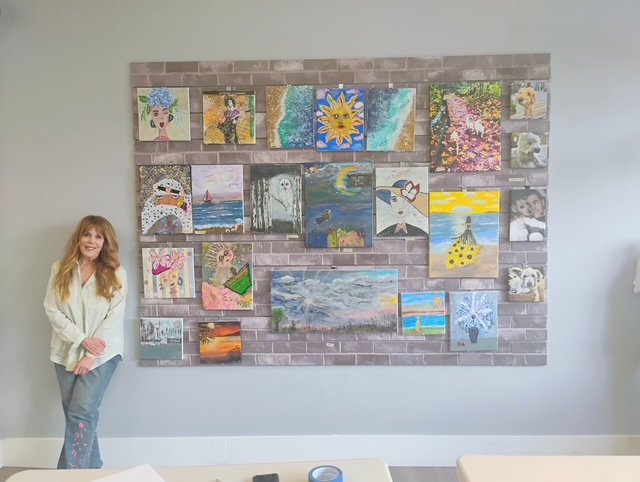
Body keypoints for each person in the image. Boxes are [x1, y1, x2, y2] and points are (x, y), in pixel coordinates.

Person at [43, 215, 127, 469]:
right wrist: (81, 340)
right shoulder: (60, 269)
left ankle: (68, 474)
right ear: (79, 238)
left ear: (105, 242)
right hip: (65, 351)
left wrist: (91, 353)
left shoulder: (116, 272)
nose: (91, 241)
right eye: (87, 234)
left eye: (98, 236)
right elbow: (52, 309)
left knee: (81, 412)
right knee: (78, 415)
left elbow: (114, 316)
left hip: (102, 354)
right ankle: (93, 467)